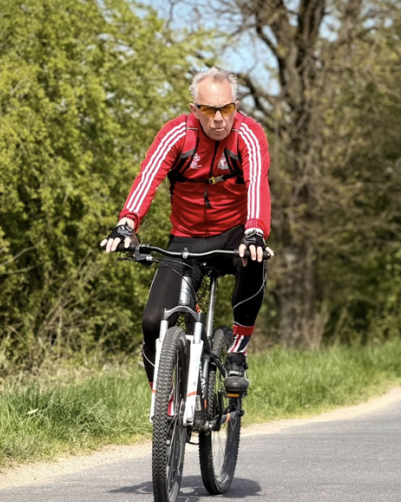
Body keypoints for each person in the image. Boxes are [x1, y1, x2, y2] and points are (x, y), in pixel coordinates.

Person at [100, 67, 273, 394]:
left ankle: (237, 351)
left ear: (236, 105)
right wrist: (126, 224)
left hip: (235, 235)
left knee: (254, 259)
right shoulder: (177, 133)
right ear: (195, 109)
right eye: (209, 110)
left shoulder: (249, 135)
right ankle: (164, 406)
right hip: (185, 240)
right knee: (152, 324)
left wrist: (255, 231)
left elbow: (257, 187)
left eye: (227, 109)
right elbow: (147, 178)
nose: (219, 118)